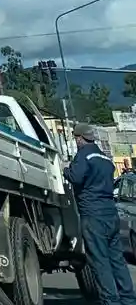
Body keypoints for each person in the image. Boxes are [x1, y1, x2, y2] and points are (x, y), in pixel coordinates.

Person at [66, 122, 136, 305]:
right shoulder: (105, 159)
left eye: (76, 138)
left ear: (80, 138)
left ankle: (110, 301)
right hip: (110, 214)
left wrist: (65, 170)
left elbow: (76, 177)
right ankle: (128, 299)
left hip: (93, 214)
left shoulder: (83, 156)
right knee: (117, 260)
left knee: (99, 261)